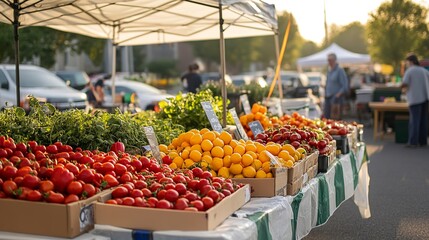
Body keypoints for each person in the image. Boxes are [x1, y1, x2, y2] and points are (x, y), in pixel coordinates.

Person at [401, 54, 429, 147]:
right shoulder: (424, 71)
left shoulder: (410, 71)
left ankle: (413, 142)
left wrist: (403, 89)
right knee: (423, 120)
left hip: (415, 98)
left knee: (414, 121)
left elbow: (404, 84)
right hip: (426, 97)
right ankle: (423, 141)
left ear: (411, 61)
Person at [323, 53, 348, 119]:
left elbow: (345, 85)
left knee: (335, 120)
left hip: (336, 99)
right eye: (328, 60)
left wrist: (338, 94)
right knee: (326, 118)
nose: (329, 62)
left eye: (330, 60)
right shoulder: (329, 71)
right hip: (328, 98)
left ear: (334, 60)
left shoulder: (340, 70)